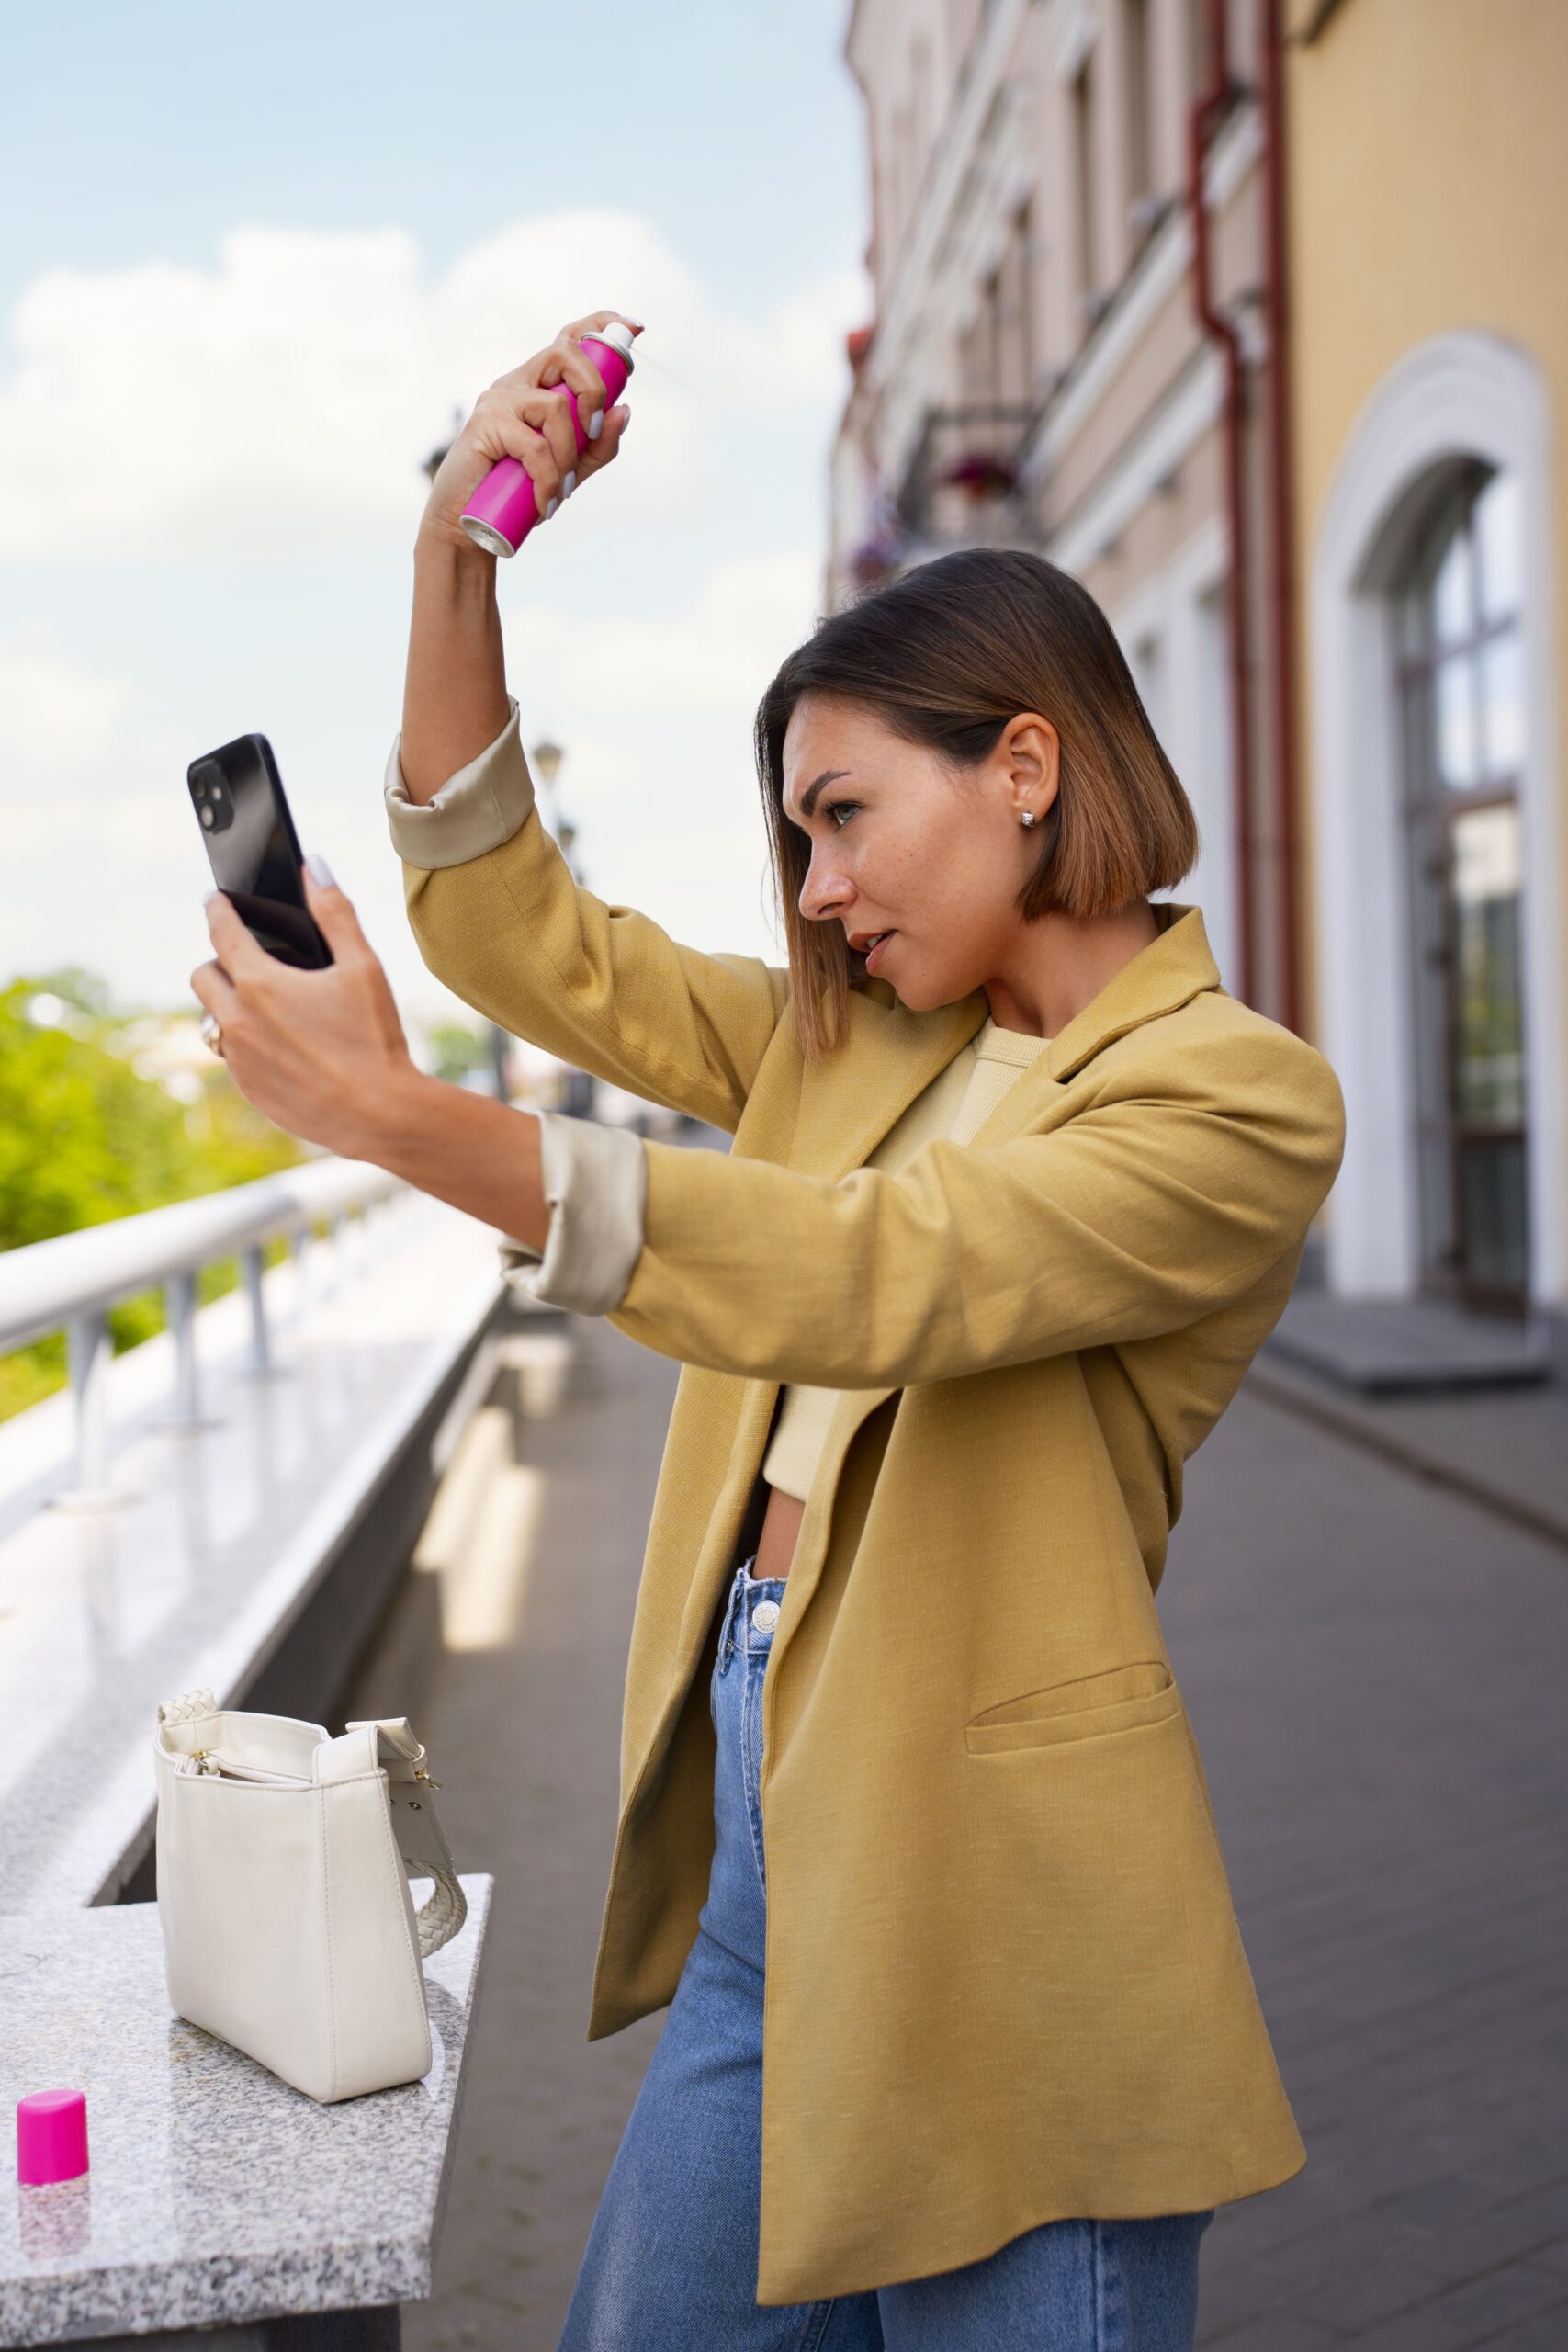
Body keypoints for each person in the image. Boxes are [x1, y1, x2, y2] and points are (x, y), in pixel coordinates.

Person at [191, 309, 1346, 2350]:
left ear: (1021, 764)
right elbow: (512, 922)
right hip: (768, 1838)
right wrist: (453, 549)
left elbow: (885, 1267)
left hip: (998, 1895)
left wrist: (400, 1119)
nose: (810, 893)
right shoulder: (860, 1035)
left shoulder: (1236, 1097)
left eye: (838, 817)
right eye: (795, 840)